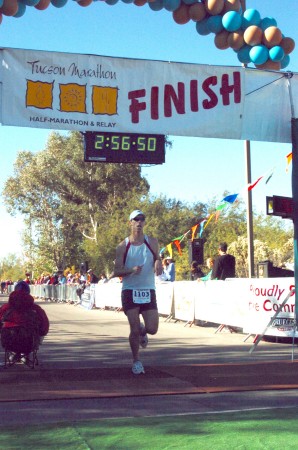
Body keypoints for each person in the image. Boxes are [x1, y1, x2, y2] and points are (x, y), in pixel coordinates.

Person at [113, 209, 162, 375]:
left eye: (142, 219)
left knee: (153, 328)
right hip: (130, 290)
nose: (139, 222)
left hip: (148, 289)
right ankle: (136, 361)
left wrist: (158, 263)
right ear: (130, 222)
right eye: (136, 220)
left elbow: (157, 258)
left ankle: (143, 330)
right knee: (133, 328)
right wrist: (131, 270)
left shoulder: (152, 242)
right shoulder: (122, 246)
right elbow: (117, 271)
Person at [0, 281, 49, 359]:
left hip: (9, 341)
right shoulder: (35, 308)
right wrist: (42, 332)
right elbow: (44, 325)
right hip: (29, 343)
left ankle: (13, 353)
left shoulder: (5, 307)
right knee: (39, 331)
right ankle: (26, 354)